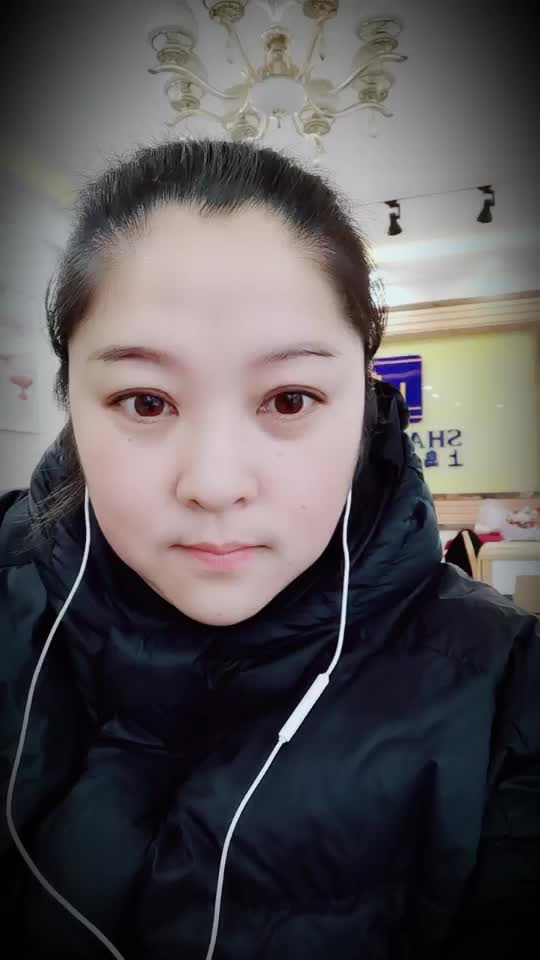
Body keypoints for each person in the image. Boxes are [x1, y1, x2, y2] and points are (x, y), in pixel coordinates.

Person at [0, 139, 538, 960]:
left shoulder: (510, 696)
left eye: (289, 399)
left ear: (365, 403)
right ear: (72, 400)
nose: (215, 484)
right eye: (145, 401)